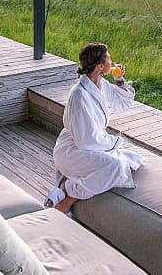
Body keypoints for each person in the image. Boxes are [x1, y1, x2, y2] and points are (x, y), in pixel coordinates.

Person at [45, 42, 143, 215]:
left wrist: (120, 80)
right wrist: (114, 142)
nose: (112, 62)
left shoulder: (101, 85)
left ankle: (66, 186)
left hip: (90, 143)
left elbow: (123, 103)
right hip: (72, 150)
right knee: (115, 166)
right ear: (100, 66)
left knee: (126, 161)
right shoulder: (79, 95)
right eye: (109, 59)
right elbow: (86, 141)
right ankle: (68, 193)